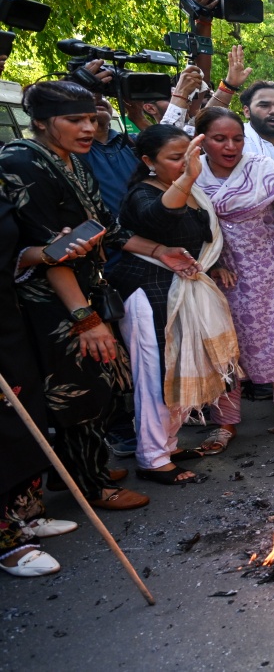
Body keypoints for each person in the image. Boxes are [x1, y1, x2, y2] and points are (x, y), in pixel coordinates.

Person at [0, 81, 199, 510]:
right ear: (40, 122)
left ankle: (79, 468)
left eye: (91, 118)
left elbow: (107, 226)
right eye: (75, 120)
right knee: (81, 391)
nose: (89, 127)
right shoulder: (23, 161)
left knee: (102, 385)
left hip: (90, 287)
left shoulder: (72, 159)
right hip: (54, 302)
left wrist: (160, 250)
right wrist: (85, 319)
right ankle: (91, 487)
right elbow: (52, 251)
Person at [108, 125, 233, 485]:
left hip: (186, 288)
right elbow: (158, 219)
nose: (186, 164)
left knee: (182, 371)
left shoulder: (191, 190)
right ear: (148, 161)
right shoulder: (142, 193)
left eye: (190, 156)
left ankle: (168, 444)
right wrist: (188, 179)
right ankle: (152, 458)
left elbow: (202, 239)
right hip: (149, 291)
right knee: (157, 376)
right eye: (175, 158)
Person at [193, 107, 274, 443]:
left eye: (237, 138)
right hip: (220, 278)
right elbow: (185, 232)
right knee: (223, 350)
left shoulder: (266, 171)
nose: (230, 146)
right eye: (219, 138)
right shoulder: (190, 177)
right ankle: (225, 423)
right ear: (201, 140)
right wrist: (213, 265)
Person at [0, 186, 88, 577]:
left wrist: (45, 251)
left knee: (24, 414)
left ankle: (26, 515)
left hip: (7, 319)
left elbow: (10, 254)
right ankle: (8, 544)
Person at [83, 96, 138, 216]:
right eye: (90, 96)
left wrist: (138, 117)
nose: (99, 98)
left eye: (104, 95)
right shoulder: (71, 150)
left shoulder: (131, 141)